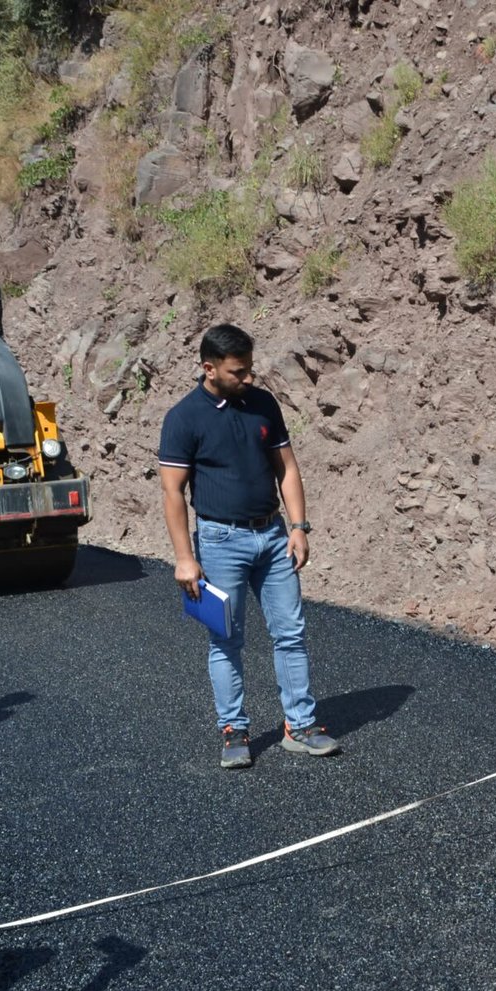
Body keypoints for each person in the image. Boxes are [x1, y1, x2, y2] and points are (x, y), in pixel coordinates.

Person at [158, 324, 339, 769]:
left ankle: (300, 726)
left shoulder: (263, 404)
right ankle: (233, 730)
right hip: (220, 542)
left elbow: (287, 468)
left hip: (273, 537)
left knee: (291, 634)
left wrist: (299, 526)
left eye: (250, 369)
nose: (249, 378)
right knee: (225, 639)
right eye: (238, 372)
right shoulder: (184, 418)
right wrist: (184, 559)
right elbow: (172, 492)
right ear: (209, 368)